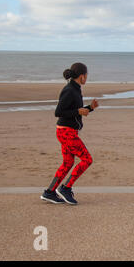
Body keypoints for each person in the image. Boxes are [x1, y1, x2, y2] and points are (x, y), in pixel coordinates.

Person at [40, 62, 99, 205]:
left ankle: (49, 192)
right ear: (82, 76)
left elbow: (74, 110)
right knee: (87, 159)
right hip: (66, 132)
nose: (87, 78)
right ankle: (66, 188)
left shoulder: (75, 89)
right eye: (86, 75)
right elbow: (58, 112)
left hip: (67, 131)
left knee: (68, 162)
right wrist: (78, 111)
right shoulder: (69, 90)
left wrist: (89, 108)